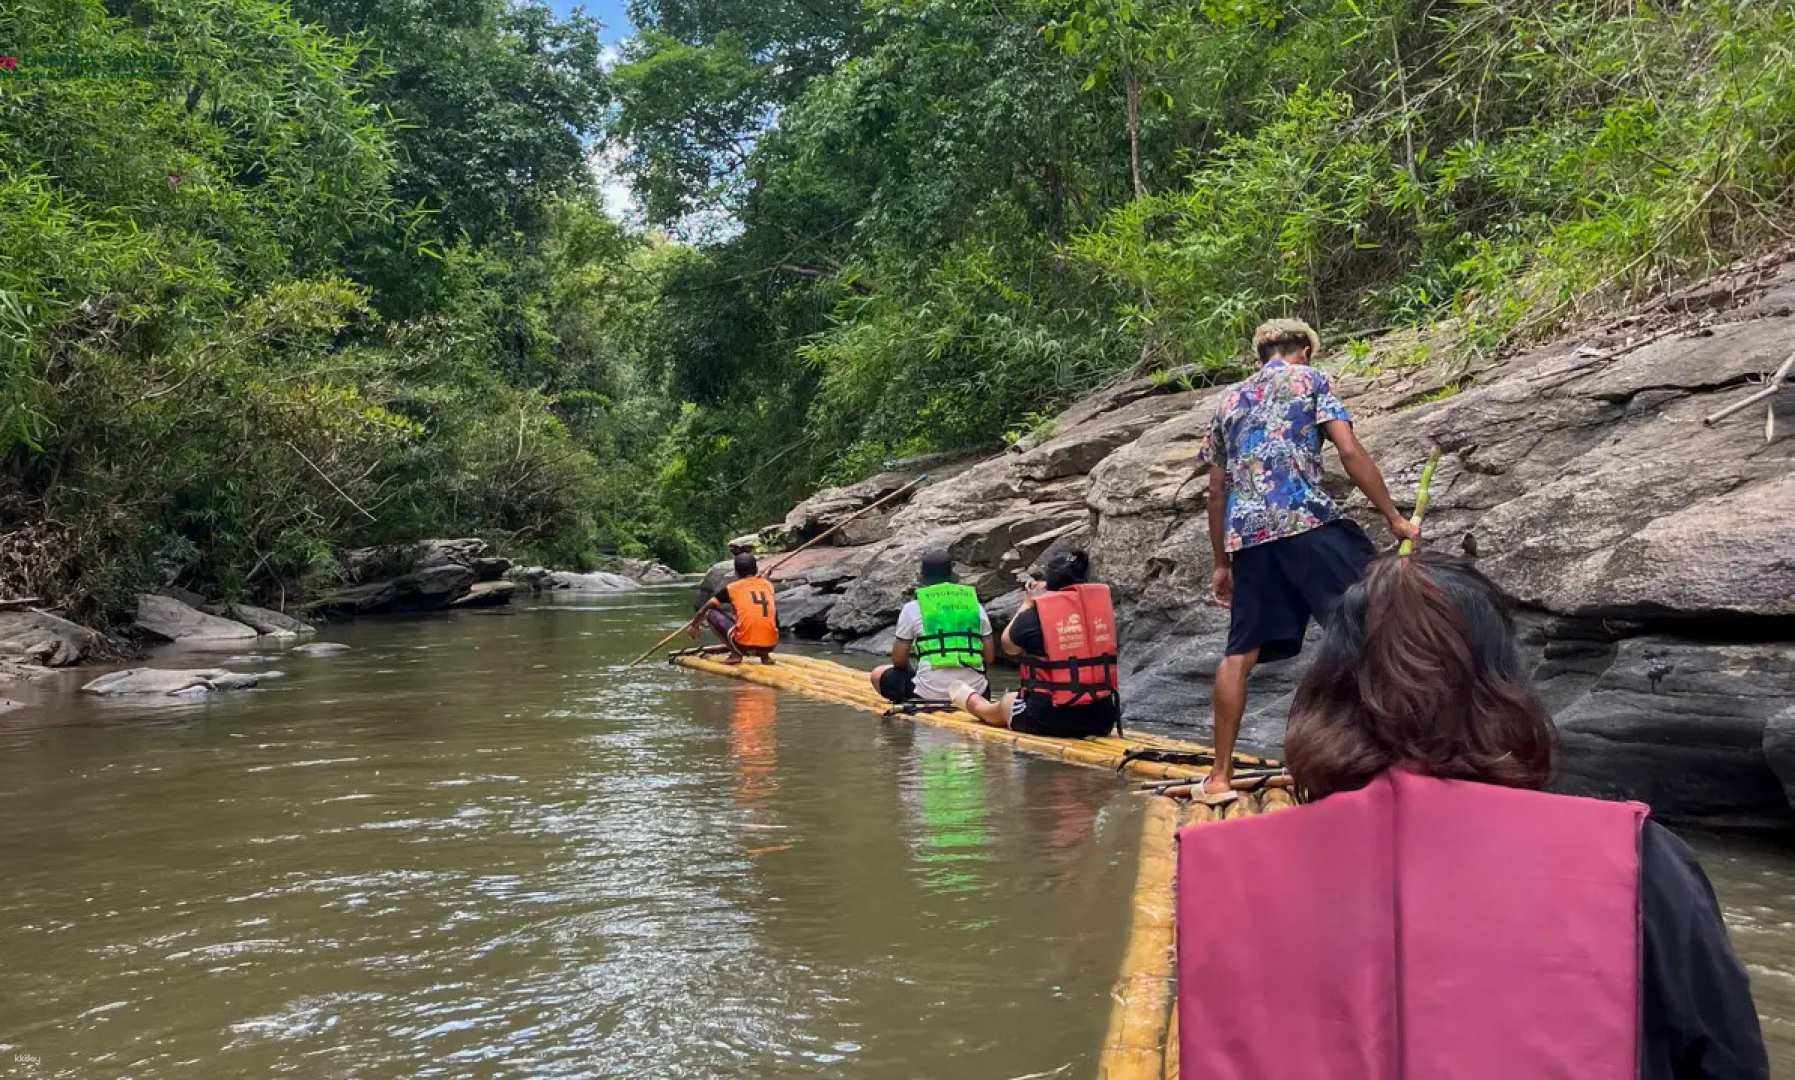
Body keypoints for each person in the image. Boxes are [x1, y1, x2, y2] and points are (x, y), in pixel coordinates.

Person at [1175, 553, 1768, 1080]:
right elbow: (1727, 1058)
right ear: (1505, 690)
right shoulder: (1642, 858)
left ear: (1326, 697)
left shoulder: (1215, 872)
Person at [1200, 317, 1420, 799]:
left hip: (1249, 538)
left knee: (1239, 654)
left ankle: (1218, 777)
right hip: (1307, 521)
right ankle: (1396, 752)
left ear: (1262, 354)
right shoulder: (1312, 380)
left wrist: (1221, 563)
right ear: (1304, 350)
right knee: (1379, 612)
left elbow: (1217, 491)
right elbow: (1348, 449)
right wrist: (1395, 519)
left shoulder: (1229, 400)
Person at [949, 549, 1122, 739]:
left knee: (1007, 701)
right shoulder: (1101, 613)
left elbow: (1008, 646)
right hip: (1101, 719)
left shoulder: (1036, 615)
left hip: (1047, 718)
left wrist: (1029, 602)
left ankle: (975, 704)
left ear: (1050, 582)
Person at [870, 548, 995, 704]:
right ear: (951, 578)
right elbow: (989, 658)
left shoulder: (912, 608)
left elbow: (898, 660)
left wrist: (918, 670)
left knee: (877, 674)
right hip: (975, 694)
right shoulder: (975, 606)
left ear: (923, 579)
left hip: (928, 693)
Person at [697, 553, 779, 665]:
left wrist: (694, 625)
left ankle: (735, 653)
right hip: (771, 645)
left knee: (711, 613)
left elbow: (706, 606)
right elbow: (757, 585)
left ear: (736, 572)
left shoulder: (732, 588)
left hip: (743, 645)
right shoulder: (768, 585)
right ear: (756, 569)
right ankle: (765, 656)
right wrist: (765, 576)